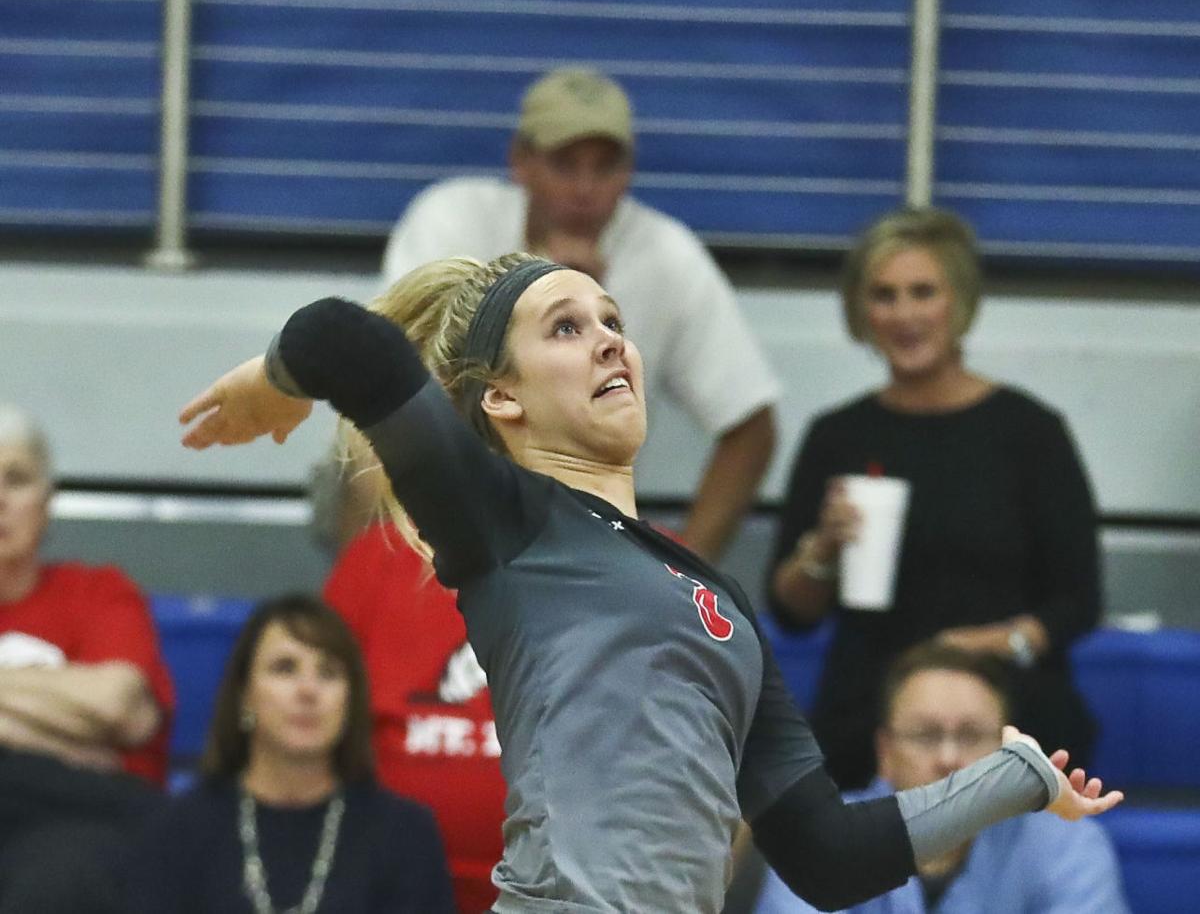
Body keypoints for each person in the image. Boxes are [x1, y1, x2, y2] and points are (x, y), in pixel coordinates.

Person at [177, 250, 1121, 914]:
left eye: (614, 324)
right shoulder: (507, 520)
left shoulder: (724, 606)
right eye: (566, 327)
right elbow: (348, 342)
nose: (608, 341)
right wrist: (273, 383)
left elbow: (827, 856)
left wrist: (1017, 779)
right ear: (502, 398)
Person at [373, 65, 779, 561]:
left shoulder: (666, 256)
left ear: (629, 172)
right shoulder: (452, 221)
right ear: (520, 162)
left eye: (605, 167)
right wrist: (543, 294)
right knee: (363, 434)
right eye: (565, 165)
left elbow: (750, 425)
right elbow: (396, 389)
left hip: (584, 519)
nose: (585, 188)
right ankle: (370, 587)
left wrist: (684, 574)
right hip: (431, 504)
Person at [767, 207, 1102, 791]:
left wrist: (984, 646)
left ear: (960, 302)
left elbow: (1079, 601)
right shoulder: (837, 436)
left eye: (923, 292)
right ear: (860, 311)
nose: (904, 315)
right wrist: (822, 548)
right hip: (869, 712)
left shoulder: (1030, 432)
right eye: (884, 295)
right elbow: (791, 614)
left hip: (1009, 705)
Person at [124, 592, 456, 913]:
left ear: (350, 702)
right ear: (244, 696)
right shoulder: (176, 832)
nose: (308, 690)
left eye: (328, 672)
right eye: (285, 668)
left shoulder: (405, 836)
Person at [754, 642, 1130, 914]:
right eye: (926, 735)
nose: (948, 759)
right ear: (885, 752)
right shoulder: (818, 835)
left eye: (971, 735)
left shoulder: (1065, 843)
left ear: (1008, 752)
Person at [0, 404, 172, 914]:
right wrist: (64, 736)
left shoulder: (99, 593)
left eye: (16, 479)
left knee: (66, 875)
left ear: (47, 500)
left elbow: (117, 707)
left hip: (86, 819)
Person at [325, 518, 504, 914]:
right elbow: (314, 721)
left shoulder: (602, 558)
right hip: (387, 887)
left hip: (566, 890)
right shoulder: (377, 555)